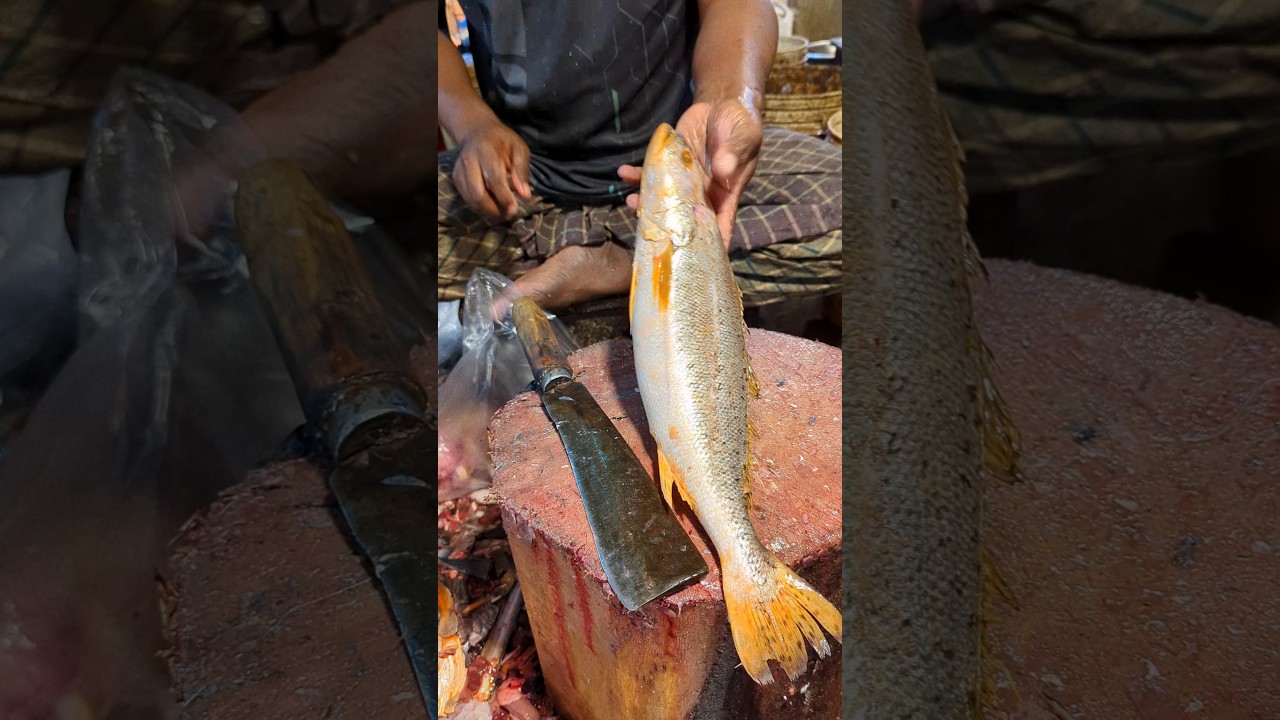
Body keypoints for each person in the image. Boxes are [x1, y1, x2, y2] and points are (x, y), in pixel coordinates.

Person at [436, 0, 843, 310]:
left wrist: (729, 96)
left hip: (678, 175)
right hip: (519, 181)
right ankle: (654, 263)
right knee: (391, 248)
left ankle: (613, 265)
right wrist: (473, 126)